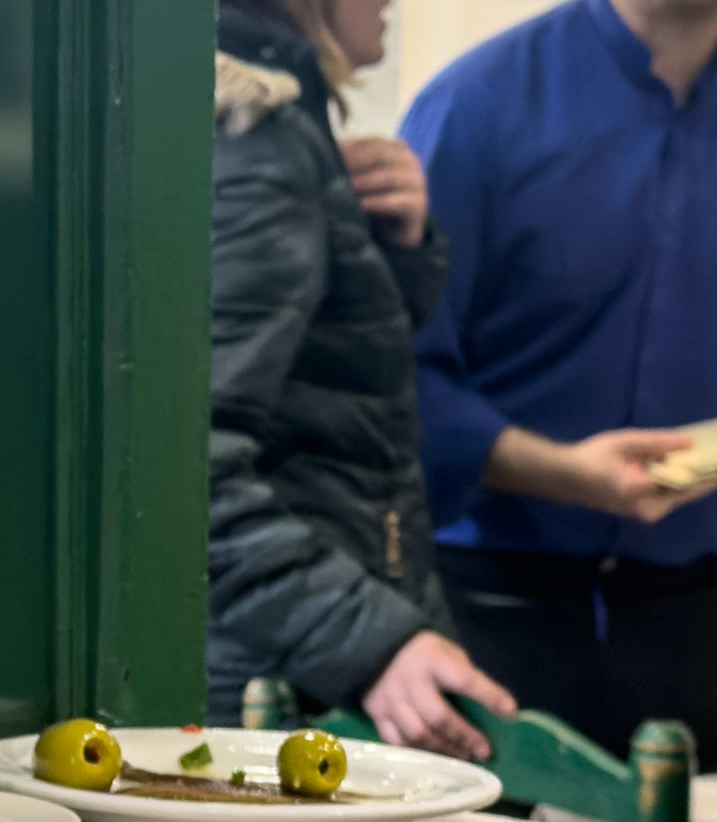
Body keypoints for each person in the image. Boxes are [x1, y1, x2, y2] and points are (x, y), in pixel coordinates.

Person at [402, 0, 717, 766]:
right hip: (485, 609)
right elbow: (403, 371)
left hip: (682, 618)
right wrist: (558, 472)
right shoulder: (475, 103)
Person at [207, 0, 517, 756]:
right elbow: (182, 462)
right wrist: (374, 643)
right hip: (275, 688)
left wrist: (388, 252)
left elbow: (314, 399)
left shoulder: (270, 130)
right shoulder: (261, 144)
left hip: (282, 662)